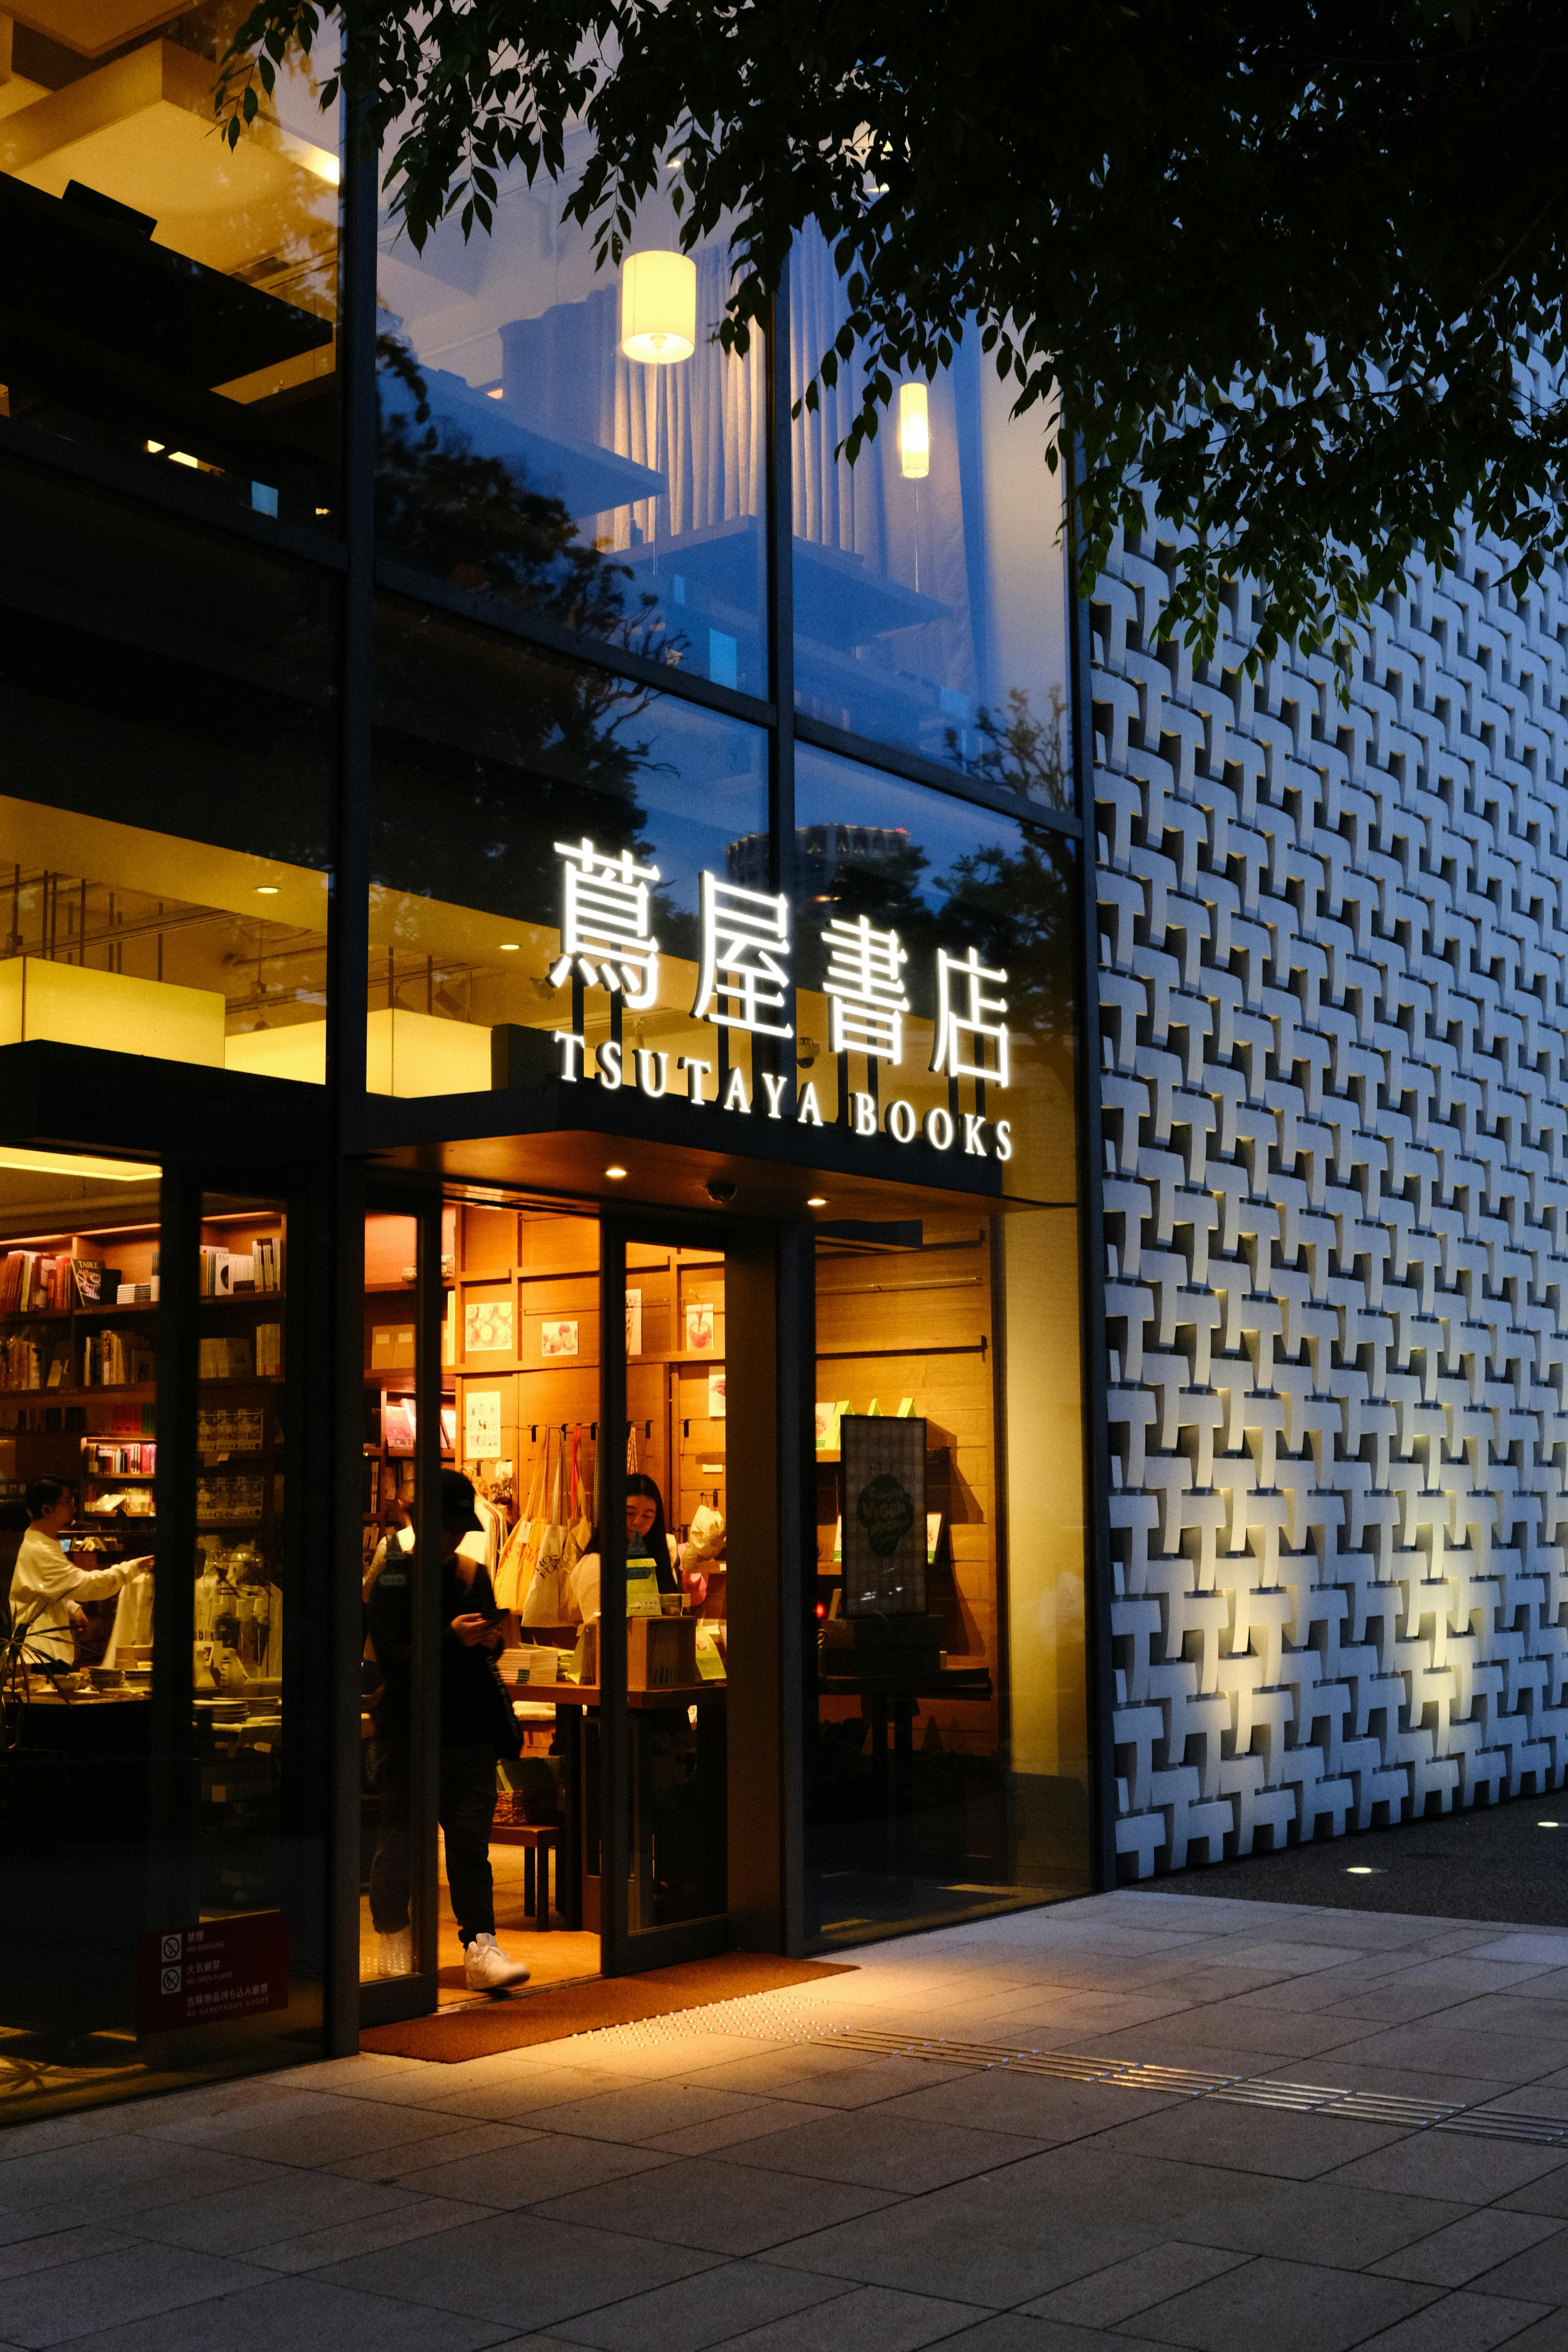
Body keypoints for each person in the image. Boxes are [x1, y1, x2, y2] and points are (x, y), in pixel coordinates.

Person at [365, 1468, 532, 1993]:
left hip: (470, 1728)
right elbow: (392, 1659)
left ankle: (480, 1945)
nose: (456, 1537)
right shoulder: (392, 1573)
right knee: (401, 1842)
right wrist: (451, 1638)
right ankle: (394, 1937)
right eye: (448, 1526)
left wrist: (488, 1642)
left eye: (462, 1526)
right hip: (411, 1731)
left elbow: (491, 1646)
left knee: (469, 1845)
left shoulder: (471, 1572)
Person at [8, 1478, 150, 1668]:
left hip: (41, 1652)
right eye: (68, 1502)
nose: (73, 1508)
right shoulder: (40, 1549)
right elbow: (88, 1586)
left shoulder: (42, 1543)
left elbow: (44, 1589)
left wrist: (72, 1607)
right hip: (39, 1655)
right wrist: (134, 1568)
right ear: (47, 1511)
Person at [568, 1471, 681, 1621]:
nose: (637, 1522)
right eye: (629, 1513)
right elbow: (597, 1627)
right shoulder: (595, 1564)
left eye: (647, 1516)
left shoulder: (661, 1557)